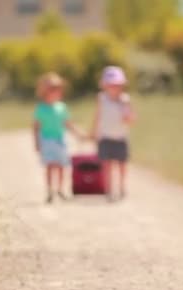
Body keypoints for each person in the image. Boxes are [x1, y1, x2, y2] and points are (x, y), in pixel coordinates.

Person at [33, 72, 83, 203]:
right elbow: (36, 127)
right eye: (52, 90)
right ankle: (50, 190)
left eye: (57, 89)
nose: (55, 92)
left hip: (60, 140)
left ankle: (60, 189)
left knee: (62, 166)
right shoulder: (41, 109)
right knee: (50, 166)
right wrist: (37, 143)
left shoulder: (62, 107)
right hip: (47, 141)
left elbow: (67, 123)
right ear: (45, 91)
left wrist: (78, 134)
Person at [92, 66, 135, 201]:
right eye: (111, 85)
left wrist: (125, 109)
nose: (114, 88)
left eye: (117, 85)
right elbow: (98, 116)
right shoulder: (101, 98)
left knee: (122, 165)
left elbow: (130, 119)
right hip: (105, 137)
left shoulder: (125, 99)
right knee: (107, 165)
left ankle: (122, 187)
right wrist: (94, 131)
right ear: (105, 85)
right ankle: (109, 190)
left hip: (120, 137)